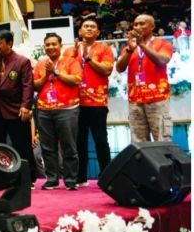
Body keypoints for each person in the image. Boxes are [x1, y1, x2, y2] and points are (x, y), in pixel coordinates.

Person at [0, 30, 36, 183]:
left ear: (9, 43)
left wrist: (25, 106)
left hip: (16, 110)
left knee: (22, 146)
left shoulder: (22, 61)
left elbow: (27, 86)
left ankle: (27, 179)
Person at [65, 18, 113, 186]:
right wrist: (74, 55)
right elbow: (64, 72)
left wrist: (89, 58)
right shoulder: (70, 51)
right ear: (80, 31)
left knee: (101, 140)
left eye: (93, 27)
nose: (89, 29)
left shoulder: (104, 49)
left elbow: (107, 70)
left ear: (98, 32)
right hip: (75, 103)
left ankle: (107, 176)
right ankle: (80, 177)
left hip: (97, 103)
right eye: (86, 26)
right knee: (79, 142)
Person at [33, 33, 82, 190]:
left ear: (61, 46)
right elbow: (35, 86)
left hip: (67, 109)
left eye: (54, 44)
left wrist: (56, 72)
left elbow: (76, 80)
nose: (50, 47)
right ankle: (52, 179)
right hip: (44, 110)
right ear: (44, 47)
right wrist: (46, 75)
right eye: (47, 44)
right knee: (47, 147)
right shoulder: (40, 64)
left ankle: (70, 180)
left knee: (69, 146)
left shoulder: (71, 61)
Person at [115, 14, 174, 142]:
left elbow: (162, 61)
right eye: (135, 24)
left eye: (142, 23)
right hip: (135, 99)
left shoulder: (163, 43)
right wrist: (130, 51)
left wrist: (141, 44)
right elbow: (119, 68)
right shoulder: (129, 47)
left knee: (162, 139)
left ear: (152, 26)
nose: (138, 26)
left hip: (157, 98)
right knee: (139, 142)